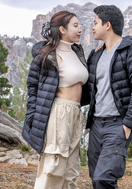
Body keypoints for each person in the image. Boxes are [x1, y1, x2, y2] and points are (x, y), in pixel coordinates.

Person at [84, 5, 132, 189]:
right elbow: (89, 91)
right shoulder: (96, 55)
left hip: (117, 124)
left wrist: (128, 124)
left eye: (95, 23)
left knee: (103, 178)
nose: (92, 27)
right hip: (97, 125)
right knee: (95, 178)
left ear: (108, 25)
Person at [22, 10, 89, 189]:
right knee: (54, 167)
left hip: (75, 113)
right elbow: (33, 88)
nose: (80, 29)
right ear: (62, 30)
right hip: (58, 113)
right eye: (75, 25)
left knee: (71, 170)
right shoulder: (47, 55)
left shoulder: (77, 52)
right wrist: (32, 118)